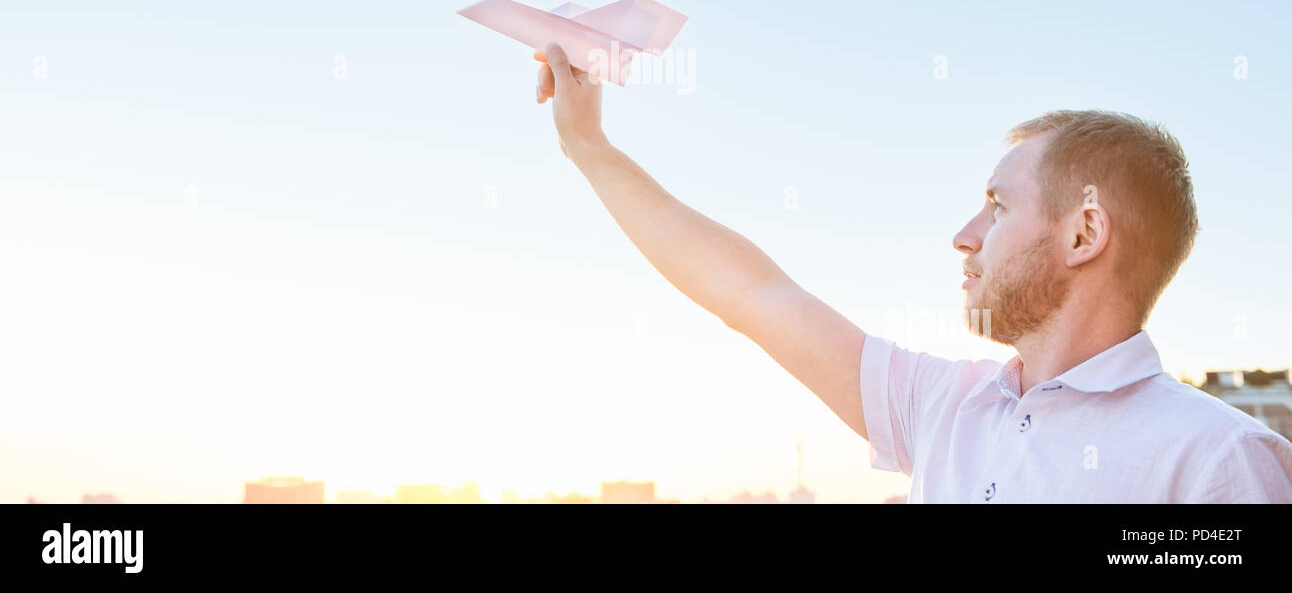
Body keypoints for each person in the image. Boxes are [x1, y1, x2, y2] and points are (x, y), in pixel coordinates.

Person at [532, 42, 1292, 503]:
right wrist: (588, 146)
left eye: (996, 206)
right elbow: (753, 294)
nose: (963, 237)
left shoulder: (1219, 461)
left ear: (1085, 231)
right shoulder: (945, 407)